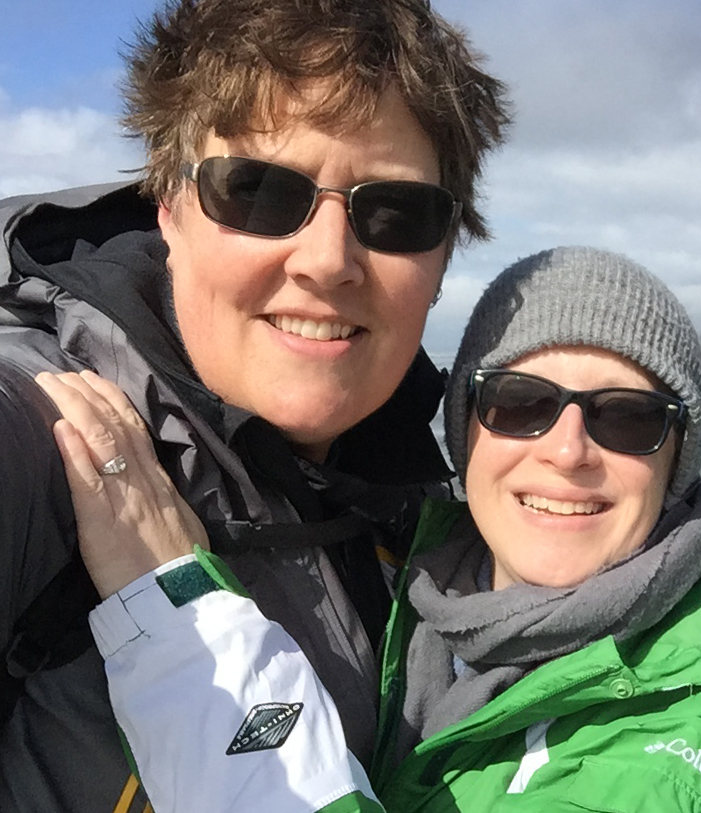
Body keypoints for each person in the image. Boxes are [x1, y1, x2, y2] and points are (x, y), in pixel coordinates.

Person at [40, 247, 701, 812]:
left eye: (626, 417)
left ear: (676, 460)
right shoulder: (417, 589)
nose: (567, 451)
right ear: (465, 428)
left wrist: (187, 633)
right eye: (521, 402)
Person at [0, 1, 509, 810]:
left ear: (443, 255)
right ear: (167, 206)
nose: (328, 260)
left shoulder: (426, 498)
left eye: (396, 212)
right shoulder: (51, 427)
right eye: (261, 191)